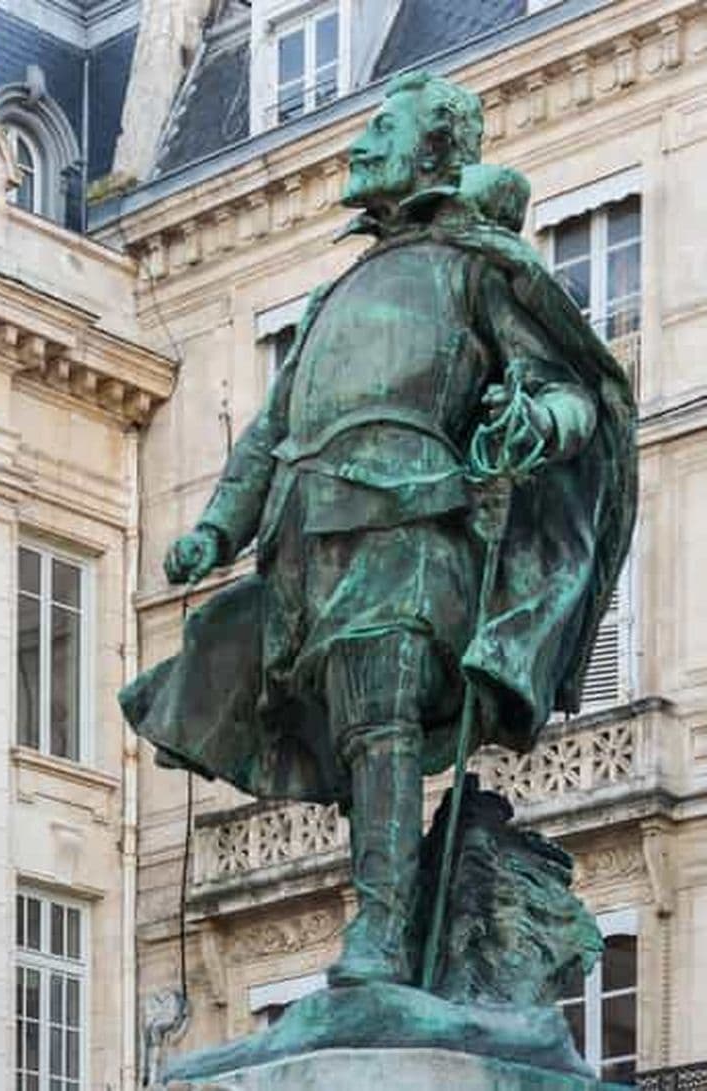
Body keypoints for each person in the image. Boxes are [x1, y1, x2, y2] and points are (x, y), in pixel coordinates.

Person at [120, 72, 636, 989]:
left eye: (383, 131)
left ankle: (382, 934)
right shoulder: (331, 299)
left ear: (433, 153)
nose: (360, 146)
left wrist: (537, 425)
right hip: (308, 543)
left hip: (413, 521)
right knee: (359, 735)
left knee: (379, 706)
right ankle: (386, 927)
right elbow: (271, 437)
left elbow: (571, 392)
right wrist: (215, 530)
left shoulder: (478, 269)